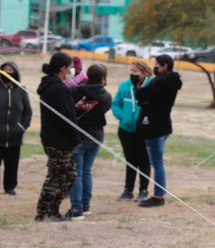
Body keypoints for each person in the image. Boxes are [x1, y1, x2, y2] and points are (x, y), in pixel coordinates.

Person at [36, 52, 91, 221]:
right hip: (57, 140)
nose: (72, 70)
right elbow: (64, 119)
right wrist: (76, 137)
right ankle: (43, 212)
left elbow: (63, 112)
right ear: (63, 68)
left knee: (70, 174)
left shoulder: (57, 86)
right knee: (57, 176)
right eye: (70, 67)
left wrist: (75, 107)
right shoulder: (57, 88)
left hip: (60, 138)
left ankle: (53, 210)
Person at [66, 64, 112, 220]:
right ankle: (85, 206)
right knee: (86, 172)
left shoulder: (75, 91)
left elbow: (68, 108)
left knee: (77, 174)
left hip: (79, 137)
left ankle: (77, 208)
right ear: (103, 78)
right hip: (96, 137)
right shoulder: (106, 96)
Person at [135, 54, 182, 208]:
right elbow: (145, 98)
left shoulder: (162, 82)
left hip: (155, 126)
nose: (154, 67)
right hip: (163, 124)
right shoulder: (169, 82)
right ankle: (158, 193)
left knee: (157, 162)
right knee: (157, 161)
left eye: (157, 64)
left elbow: (142, 95)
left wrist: (143, 93)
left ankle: (158, 195)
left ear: (164, 66)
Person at [112, 61, 152, 201]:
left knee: (144, 161)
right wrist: (123, 117)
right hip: (126, 129)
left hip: (144, 131)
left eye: (136, 72)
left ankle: (143, 190)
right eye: (131, 71)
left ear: (144, 73)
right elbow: (116, 104)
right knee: (130, 161)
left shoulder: (152, 86)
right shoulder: (124, 85)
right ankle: (128, 191)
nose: (132, 74)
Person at [0, 61, 32, 195]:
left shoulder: (21, 90)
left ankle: (10, 187)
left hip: (15, 136)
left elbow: (27, 112)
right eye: (5, 70)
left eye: (11, 70)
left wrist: (22, 127)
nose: (8, 72)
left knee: (12, 164)